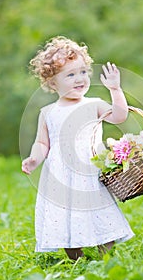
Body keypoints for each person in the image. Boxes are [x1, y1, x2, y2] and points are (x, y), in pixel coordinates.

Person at [22, 36, 134, 260]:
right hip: (59, 175)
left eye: (83, 72)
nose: (79, 79)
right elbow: (43, 142)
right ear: (53, 83)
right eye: (70, 75)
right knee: (64, 216)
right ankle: (76, 258)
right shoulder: (48, 112)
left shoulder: (93, 104)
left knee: (99, 211)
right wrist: (35, 158)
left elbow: (120, 116)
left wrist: (115, 90)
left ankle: (106, 256)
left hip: (89, 171)